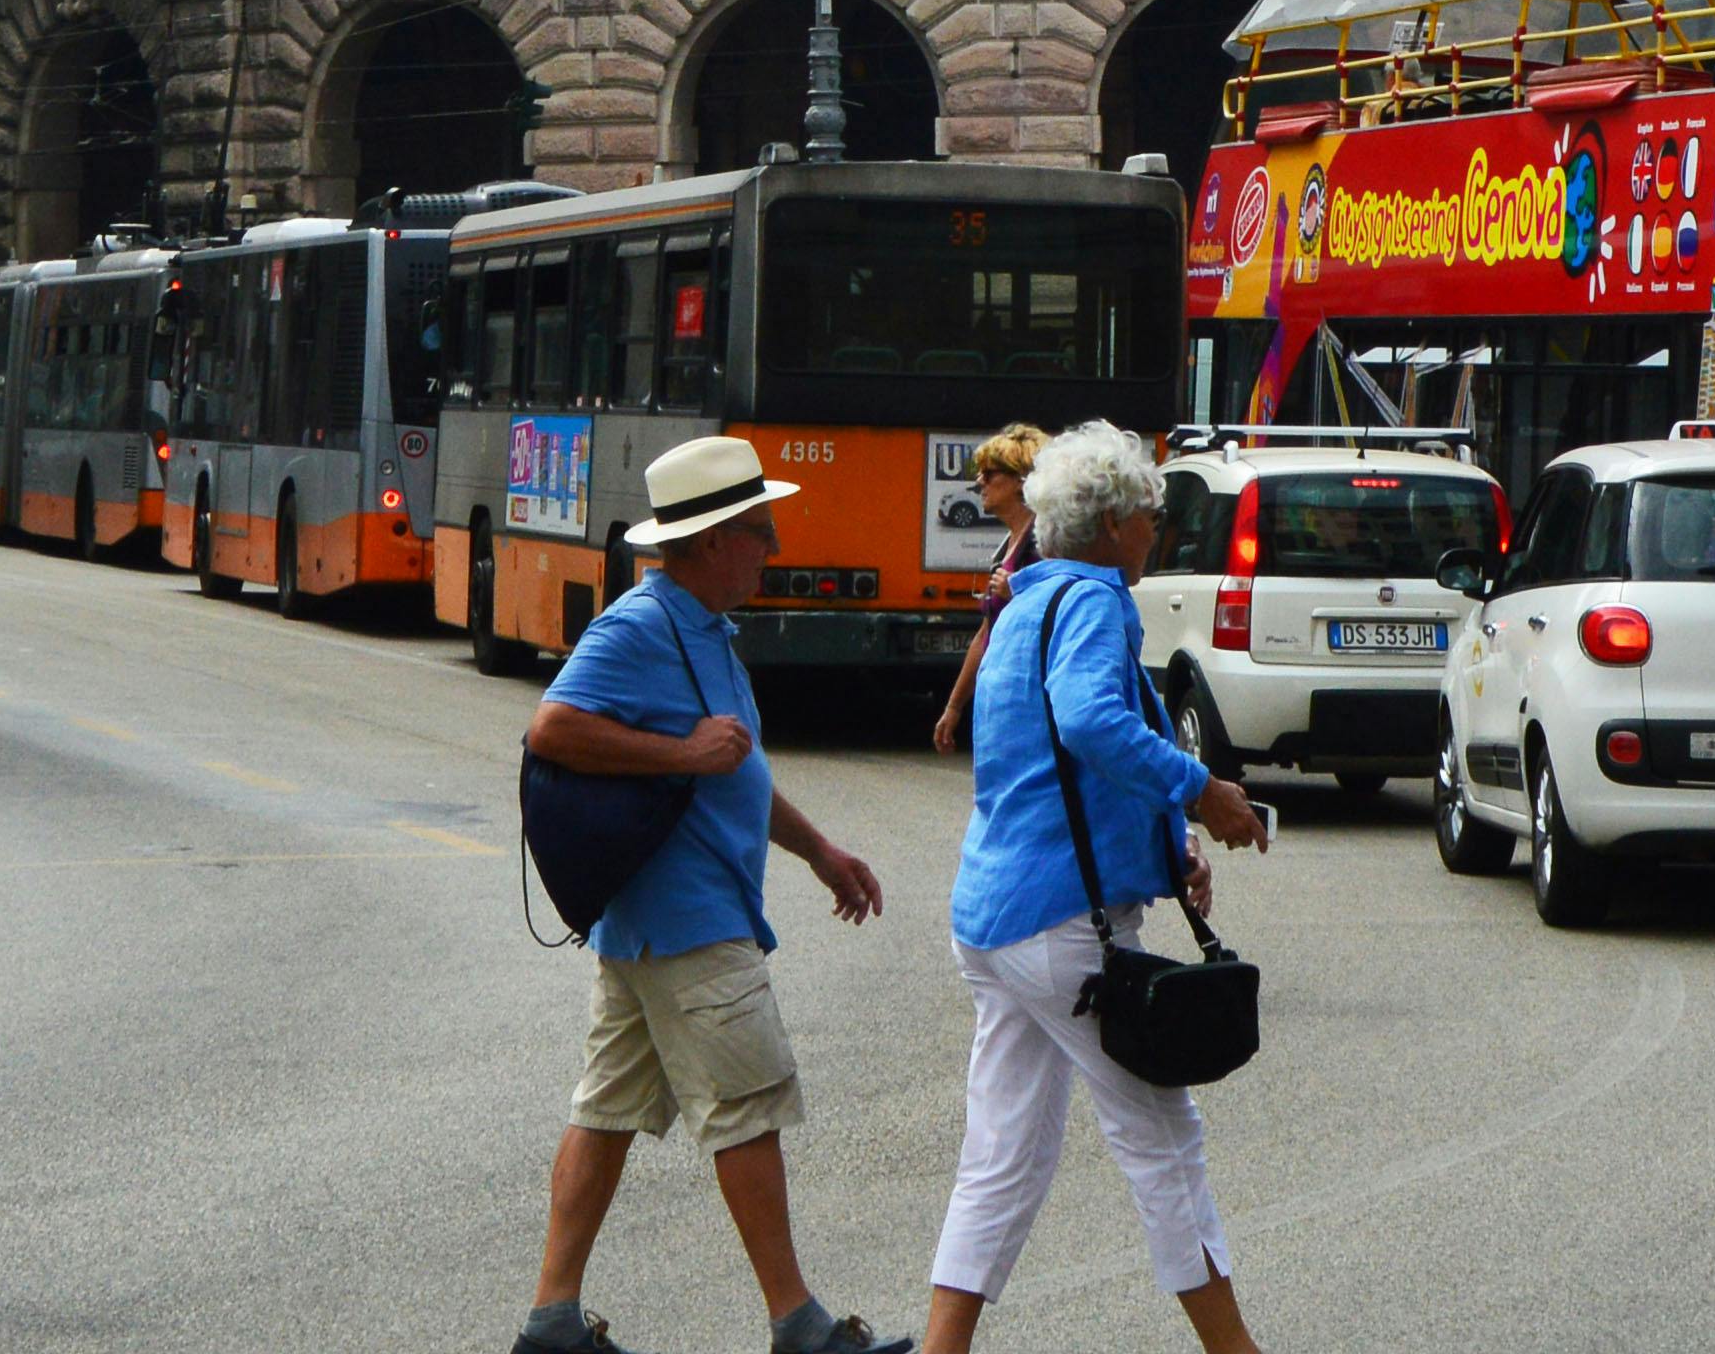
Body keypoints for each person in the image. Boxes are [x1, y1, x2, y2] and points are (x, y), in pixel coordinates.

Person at [513, 433, 900, 1354]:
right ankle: (797, 1325)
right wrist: (680, 753)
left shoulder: (706, 631)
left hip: (656, 924)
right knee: (749, 1107)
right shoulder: (640, 628)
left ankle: (552, 1322)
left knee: (604, 1113)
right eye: (759, 529)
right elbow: (552, 728)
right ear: (714, 537)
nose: (772, 545)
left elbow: (740, 773)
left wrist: (817, 851)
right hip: (687, 921)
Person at [923, 423, 1272, 1354]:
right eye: (1150, 511)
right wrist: (1206, 795)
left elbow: (1045, 769)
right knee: (1165, 1143)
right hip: (1059, 924)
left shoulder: (1027, 604)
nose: (1157, 525)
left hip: (996, 915)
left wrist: (1169, 847)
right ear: (1112, 521)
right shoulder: (1091, 601)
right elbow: (1087, 723)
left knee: (1001, 1160)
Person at [923, 424, 1048, 757]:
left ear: (1022, 480)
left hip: (1028, 708)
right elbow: (985, 633)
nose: (979, 482)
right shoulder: (1011, 542)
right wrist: (954, 706)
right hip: (1000, 707)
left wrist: (1018, 596)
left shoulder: (1044, 546)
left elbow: (1056, 619)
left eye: (989, 474)